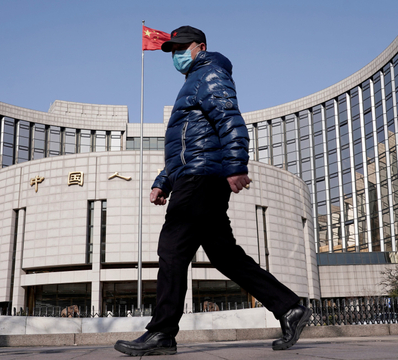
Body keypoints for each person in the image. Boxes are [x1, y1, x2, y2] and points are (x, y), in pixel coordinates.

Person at [114, 26, 312, 356]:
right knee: (225, 255)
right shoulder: (195, 80)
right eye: (172, 49)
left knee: (173, 249)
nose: (176, 54)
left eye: (181, 47)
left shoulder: (209, 73)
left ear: (200, 47)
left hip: (201, 178)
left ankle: (162, 333)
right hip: (196, 175)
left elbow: (230, 119)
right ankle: (289, 308)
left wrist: (236, 165)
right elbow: (186, 145)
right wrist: (164, 180)